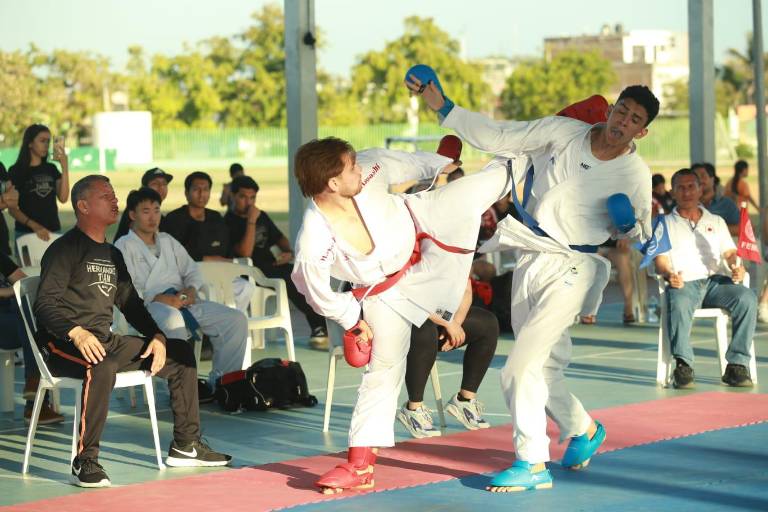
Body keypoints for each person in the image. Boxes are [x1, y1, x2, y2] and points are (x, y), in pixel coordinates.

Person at [410, 76, 657, 492]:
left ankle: (532, 461)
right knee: (543, 368)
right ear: (611, 109)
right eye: (622, 111)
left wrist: (629, 225)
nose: (623, 122)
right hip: (532, 254)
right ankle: (583, 428)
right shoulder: (564, 132)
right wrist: (444, 107)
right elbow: (500, 136)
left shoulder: (635, 173)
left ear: (642, 131)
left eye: (634, 120)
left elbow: (643, 233)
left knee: (520, 367)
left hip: (575, 266)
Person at [291, 137, 510, 494]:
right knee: (381, 373)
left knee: (476, 190)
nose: (359, 168)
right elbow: (315, 292)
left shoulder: (370, 167)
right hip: (383, 291)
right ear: (333, 183)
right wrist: (352, 320)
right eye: (351, 168)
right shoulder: (313, 239)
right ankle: (360, 466)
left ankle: (547, 145)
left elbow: (403, 162)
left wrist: (440, 163)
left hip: (423, 223)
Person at [34, 175, 231, 488]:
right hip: (61, 344)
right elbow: (44, 305)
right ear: (83, 206)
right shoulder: (65, 249)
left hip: (104, 341)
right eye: (106, 196)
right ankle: (85, 460)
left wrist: (158, 336)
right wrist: (77, 333)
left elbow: (131, 304)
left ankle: (186, 444)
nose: (115, 201)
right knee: (102, 364)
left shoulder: (112, 254)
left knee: (181, 355)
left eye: (114, 196)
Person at [114, 187, 249, 387]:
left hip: (182, 300)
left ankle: (224, 383)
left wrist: (191, 290)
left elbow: (192, 271)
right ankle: (182, 387)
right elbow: (125, 289)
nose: (153, 217)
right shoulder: (124, 245)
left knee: (235, 320)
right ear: (132, 215)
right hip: (149, 307)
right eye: (146, 211)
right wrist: (159, 298)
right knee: (173, 318)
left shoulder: (168, 241)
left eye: (157, 210)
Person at [654, 169, 755, 388]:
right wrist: (669, 275)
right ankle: (683, 366)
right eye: (681, 187)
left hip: (715, 283)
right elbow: (659, 260)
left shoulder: (716, 221)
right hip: (684, 283)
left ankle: (737, 365)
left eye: (691, 186)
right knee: (679, 300)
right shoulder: (664, 223)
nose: (687, 192)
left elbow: (730, 253)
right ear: (673, 192)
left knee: (747, 297)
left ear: (701, 190)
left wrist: (736, 266)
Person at [225, 175, 328, 349]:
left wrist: (288, 252)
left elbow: (280, 238)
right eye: (243, 197)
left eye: (252, 198)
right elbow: (245, 253)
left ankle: (323, 322)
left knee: (302, 273)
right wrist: (251, 221)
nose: (249, 202)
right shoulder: (228, 222)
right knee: (290, 279)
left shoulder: (261, 216)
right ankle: (319, 326)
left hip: (271, 266)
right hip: (249, 272)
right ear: (233, 196)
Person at [397, 279, 498, 438]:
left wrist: (456, 323)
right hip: (401, 314)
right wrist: (449, 323)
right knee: (425, 329)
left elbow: (466, 291)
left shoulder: (462, 261)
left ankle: (464, 401)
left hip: (437, 314)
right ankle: (413, 409)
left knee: (487, 323)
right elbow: (412, 298)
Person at [0, 251, 64, 424]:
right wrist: (8, 292)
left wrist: (14, 292)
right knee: (26, 312)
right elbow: (17, 287)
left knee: (30, 309)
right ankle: (36, 402)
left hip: (11, 320)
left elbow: (23, 281)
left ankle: (35, 387)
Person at [8, 124, 69, 242]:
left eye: (48, 141)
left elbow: (63, 198)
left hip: (53, 231)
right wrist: (35, 226)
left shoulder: (51, 168)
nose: (46, 145)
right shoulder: (16, 171)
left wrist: (64, 168)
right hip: (26, 234)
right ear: (30, 143)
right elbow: (12, 209)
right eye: (42, 141)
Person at [164, 172, 231, 262]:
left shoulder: (216, 218)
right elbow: (173, 254)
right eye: (196, 189)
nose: (201, 194)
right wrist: (206, 259)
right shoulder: (174, 219)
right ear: (186, 193)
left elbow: (227, 249)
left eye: (205, 189)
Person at [113, 167, 173, 242]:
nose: (161, 187)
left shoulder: (161, 219)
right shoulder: (136, 213)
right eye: (155, 184)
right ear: (144, 188)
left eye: (164, 184)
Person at [691, 162, 739, 235]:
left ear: (713, 179)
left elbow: (742, 228)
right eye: (695, 178)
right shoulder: (686, 204)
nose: (699, 180)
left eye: (703, 176)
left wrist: (713, 228)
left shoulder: (726, 204)